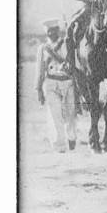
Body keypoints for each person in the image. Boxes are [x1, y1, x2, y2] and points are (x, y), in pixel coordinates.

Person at [35, 19, 77, 152]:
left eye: (54, 30)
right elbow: (39, 69)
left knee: (70, 115)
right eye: (49, 31)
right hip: (51, 83)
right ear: (46, 33)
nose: (52, 33)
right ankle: (60, 146)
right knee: (55, 116)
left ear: (58, 30)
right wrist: (38, 89)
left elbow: (74, 63)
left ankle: (71, 137)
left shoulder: (67, 43)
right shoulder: (43, 48)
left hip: (67, 82)